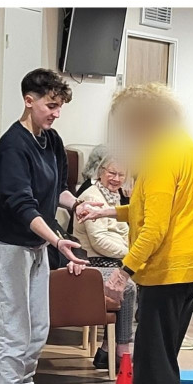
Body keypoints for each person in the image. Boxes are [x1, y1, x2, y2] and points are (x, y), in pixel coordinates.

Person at [79, 83, 193, 384]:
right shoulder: (182, 144)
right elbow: (147, 207)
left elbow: (154, 227)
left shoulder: (159, 157)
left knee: (157, 354)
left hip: (170, 269)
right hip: (192, 262)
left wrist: (123, 274)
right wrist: (105, 212)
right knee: (156, 350)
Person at [0, 68, 97, 384]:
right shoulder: (11, 147)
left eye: (60, 106)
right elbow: (22, 205)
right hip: (6, 246)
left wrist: (78, 204)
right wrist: (58, 240)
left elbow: (57, 190)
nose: (56, 113)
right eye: (51, 105)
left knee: (38, 327)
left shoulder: (51, 140)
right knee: (14, 329)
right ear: (28, 100)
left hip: (36, 244)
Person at [72, 151, 136, 369]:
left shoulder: (114, 196)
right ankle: (122, 350)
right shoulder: (91, 197)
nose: (116, 179)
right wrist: (131, 255)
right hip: (94, 263)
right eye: (112, 173)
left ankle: (107, 350)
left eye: (121, 175)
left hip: (113, 260)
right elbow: (99, 241)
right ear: (100, 172)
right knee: (127, 287)